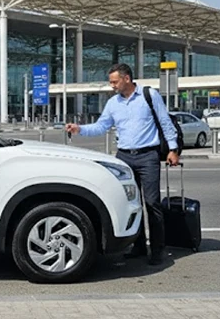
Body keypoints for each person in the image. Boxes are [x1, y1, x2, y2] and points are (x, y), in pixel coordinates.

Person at [66, 63, 179, 266]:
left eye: (115, 82)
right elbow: (101, 126)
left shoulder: (149, 95)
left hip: (148, 156)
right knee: (132, 204)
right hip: (124, 157)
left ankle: (158, 249)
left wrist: (173, 149)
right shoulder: (113, 103)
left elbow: (165, 122)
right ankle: (139, 246)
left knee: (152, 203)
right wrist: (79, 129)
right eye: (111, 82)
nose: (112, 86)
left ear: (127, 79)